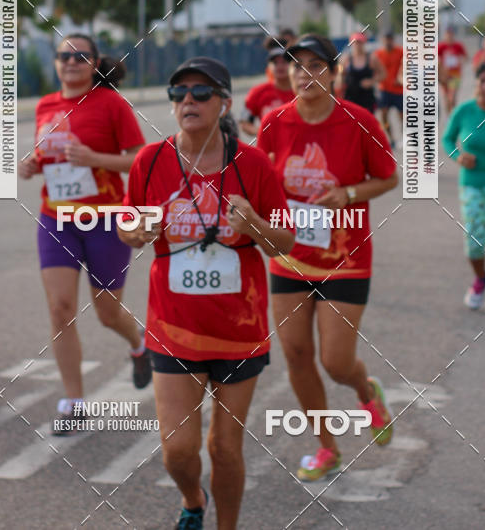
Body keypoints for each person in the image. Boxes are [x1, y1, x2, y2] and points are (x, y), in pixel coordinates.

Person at [120, 56, 292, 530]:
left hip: (239, 327)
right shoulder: (150, 160)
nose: (188, 101)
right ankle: (193, 500)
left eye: (200, 93)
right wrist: (138, 231)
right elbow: (127, 224)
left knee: (224, 447)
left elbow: (285, 243)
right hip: (173, 325)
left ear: (224, 102)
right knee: (178, 450)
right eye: (179, 94)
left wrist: (254, 223)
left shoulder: (253, 163)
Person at [257, 34, 398, 482]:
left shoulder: (358, 121)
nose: (305, 73)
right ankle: (326, 447)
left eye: (316, 65)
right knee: (297, 354)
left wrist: (348, 194)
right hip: (290, 255)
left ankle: (365, 389)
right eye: (297, 65)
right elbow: (259, 176)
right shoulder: (275, 121)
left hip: (346, 258)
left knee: (336, 361)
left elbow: (388, 177)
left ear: (334, 73)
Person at [18, 33, 148, 432]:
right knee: (60, 310)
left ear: (94, 63)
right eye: (63, 56)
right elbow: (49, 155)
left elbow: (138, 161)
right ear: (55, 63)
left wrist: (94, 159)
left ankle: (140, 344)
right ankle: (74, 402)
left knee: (108, 312)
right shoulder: (46, 105)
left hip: (106, 219)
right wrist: (33, 165)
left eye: (80, 56)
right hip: (57, 219)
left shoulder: (111, 104)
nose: (70, 62)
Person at [442, 62, 485, 313]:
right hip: (474, 184)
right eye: (483, 81)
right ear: (476, 83)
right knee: (474, 240)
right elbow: (447, 138)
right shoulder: (465, 111)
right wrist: (458, 156)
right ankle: (481, 279)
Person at [240, 38, 294, 137]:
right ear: (268, 66)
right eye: (275, 62)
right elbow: (244, 122)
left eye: (284, 61)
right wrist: (262, 132)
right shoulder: (257, 92)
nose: (280, 66)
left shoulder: (303, 91)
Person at [336, 32, 385, 113]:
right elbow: (339, 80)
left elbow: (383, 74)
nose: (357, 45)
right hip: (350, 97)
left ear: (364, 43)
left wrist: (371, 81)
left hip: (367, 98)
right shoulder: (345, 59)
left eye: (360, 42)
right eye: (355, 42)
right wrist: (340, 76)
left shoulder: (372, 58)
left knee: (366, 123)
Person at [374, 31, 404, 145]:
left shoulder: (400, 52)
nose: (388, 42)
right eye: (386, 39)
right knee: (384, 115)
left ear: (393, 40)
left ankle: (404, 135)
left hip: (399, 90)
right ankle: (391, 138)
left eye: (390, 39)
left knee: (403, 116)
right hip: (384, 89)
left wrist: (401, 77)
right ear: (382, 40)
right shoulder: (378, 54)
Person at [438, 26, 468, 114]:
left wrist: (460, 60)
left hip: (455, 74)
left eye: (451, 35)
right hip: (444, 74)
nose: (449, 37)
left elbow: (465, 57)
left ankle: (453, 113)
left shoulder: (458, 46)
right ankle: (449, 116)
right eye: (447, 35)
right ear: (445, 36)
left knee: (452, 96)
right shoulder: (441, 46)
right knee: (446, 96)